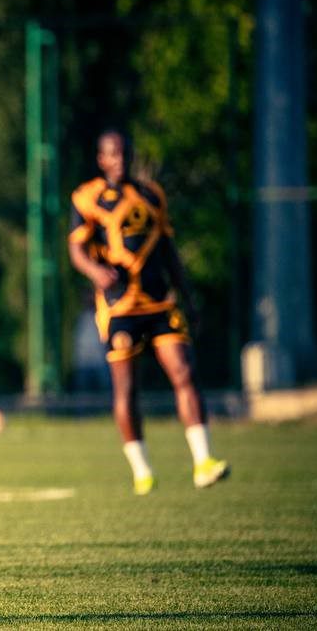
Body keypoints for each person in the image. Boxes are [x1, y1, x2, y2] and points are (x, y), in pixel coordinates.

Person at [68, 129, 229, 496]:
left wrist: (189, 297)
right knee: (127, 388)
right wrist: (96, 272)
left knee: (184, 372)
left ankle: (203, 462)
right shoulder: (87, 198)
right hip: (119, 307)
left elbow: (169, 250)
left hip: (159, 303)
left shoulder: (151, 194)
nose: (119, 160)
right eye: (112, 154)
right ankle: (142, 470)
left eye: (124, 152)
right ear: (101, 159)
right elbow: (76, 250)